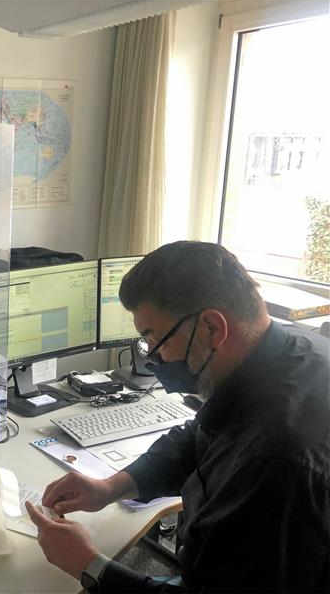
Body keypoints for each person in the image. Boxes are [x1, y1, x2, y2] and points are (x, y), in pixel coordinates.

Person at [25, 241, 330, 592]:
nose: (153, 356)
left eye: (154, 339)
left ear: (212, 328)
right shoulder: (286, 351)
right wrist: (111, 487)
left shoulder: (276, 460)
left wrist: (89, 565)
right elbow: (199, 435)